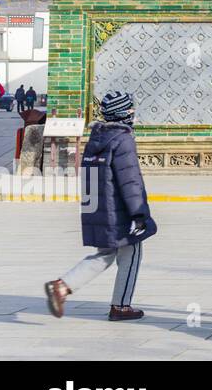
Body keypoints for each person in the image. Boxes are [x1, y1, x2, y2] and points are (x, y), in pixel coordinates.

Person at [44, 91, 157, 321]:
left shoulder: (97, 137)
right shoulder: (123, 139)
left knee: (106, 253)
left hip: (99, 208)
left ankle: (63, 286)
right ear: (124, 113)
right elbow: (130, 180)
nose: (133, 114)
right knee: (133, 251)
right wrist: (139, 214)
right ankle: (121, 306)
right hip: (120, 211)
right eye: (130, 110)